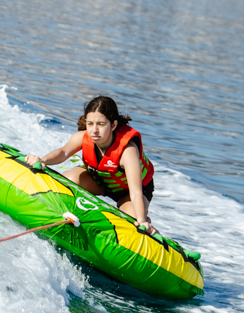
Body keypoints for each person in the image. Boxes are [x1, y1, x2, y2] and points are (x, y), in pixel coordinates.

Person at [27, 95, 159, 235]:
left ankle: (147, 223)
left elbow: (136, 192)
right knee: (69, 179)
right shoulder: (83, 137)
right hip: (100, 180)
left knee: (130, 221)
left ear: (113, 125)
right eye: (90, 123)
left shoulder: (127, 151)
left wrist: (141, 220)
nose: (94, 130)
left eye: (101, 124)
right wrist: (42, 160)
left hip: (128, 191)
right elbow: (63, 152)